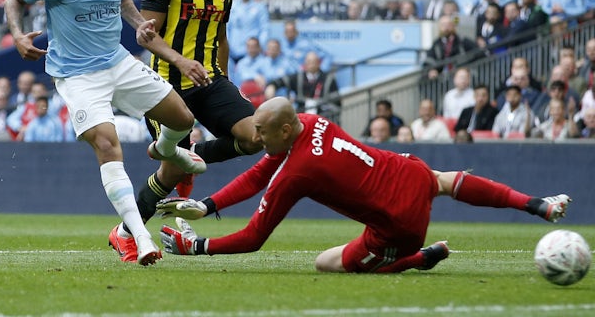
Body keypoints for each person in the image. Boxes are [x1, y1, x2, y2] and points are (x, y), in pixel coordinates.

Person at [4, 0, 206, 266]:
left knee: (182, 119)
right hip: (78, 76)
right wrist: (18, 35)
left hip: (117, 61)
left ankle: (167, 149)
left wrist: (137, 23)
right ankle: (139, 237)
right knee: (108, 144)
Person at [157, 97, 571, 274]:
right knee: (447, 181)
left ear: (285, 129)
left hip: (400, 226)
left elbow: (252, 237)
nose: (258, 140)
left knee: (328, 262)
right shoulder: (313, 122)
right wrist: (208, 205)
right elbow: (260, 172)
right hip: (406, 171)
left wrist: (197, 246)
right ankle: (536, 204)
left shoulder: (299, 171)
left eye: (263, 133)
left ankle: (416, 259)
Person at [127, 0, 264, 262]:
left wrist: (227, 83)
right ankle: (129, 231)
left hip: (210, 81)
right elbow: (147, 36)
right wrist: (182, 62)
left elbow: (220, 37)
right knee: (171, 172)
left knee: (254, 136)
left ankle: (194, 155)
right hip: (166, 84)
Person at [264, 50, 340, 122]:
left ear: (319, 63)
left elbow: (336, 102)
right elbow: (281, 81)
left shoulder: (328, 79)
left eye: (314, 62)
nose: (311, 65)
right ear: (305, 64)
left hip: (322, 116)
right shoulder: (298, 77)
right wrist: (272, 86)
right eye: (309, 62)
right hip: (301, 116)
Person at [226, 0, 270, 64]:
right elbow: (227, 28)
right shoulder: (232, 6)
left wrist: (260, 45)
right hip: (232, 51)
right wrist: (227, 46)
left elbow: (265, 29)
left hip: (252, 52)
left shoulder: (259, 7)